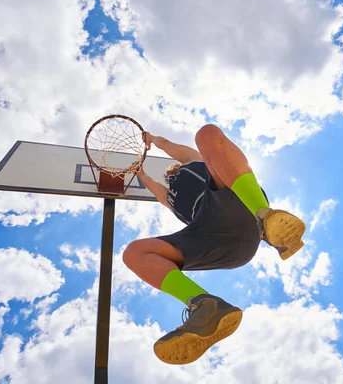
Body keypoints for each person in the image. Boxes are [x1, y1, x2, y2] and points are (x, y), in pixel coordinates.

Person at [122, 124, 306, 365]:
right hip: (211, 236)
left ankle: (265, 218)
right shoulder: (171, 198)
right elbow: (154, 188)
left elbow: (172, 147)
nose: (171, 174)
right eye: (169, 176)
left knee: (207, 135)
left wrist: (154, 139)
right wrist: (141, 173)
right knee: (135, 253)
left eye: (172, 171)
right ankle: (205, 306)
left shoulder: (193, 162)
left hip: (233, 207)